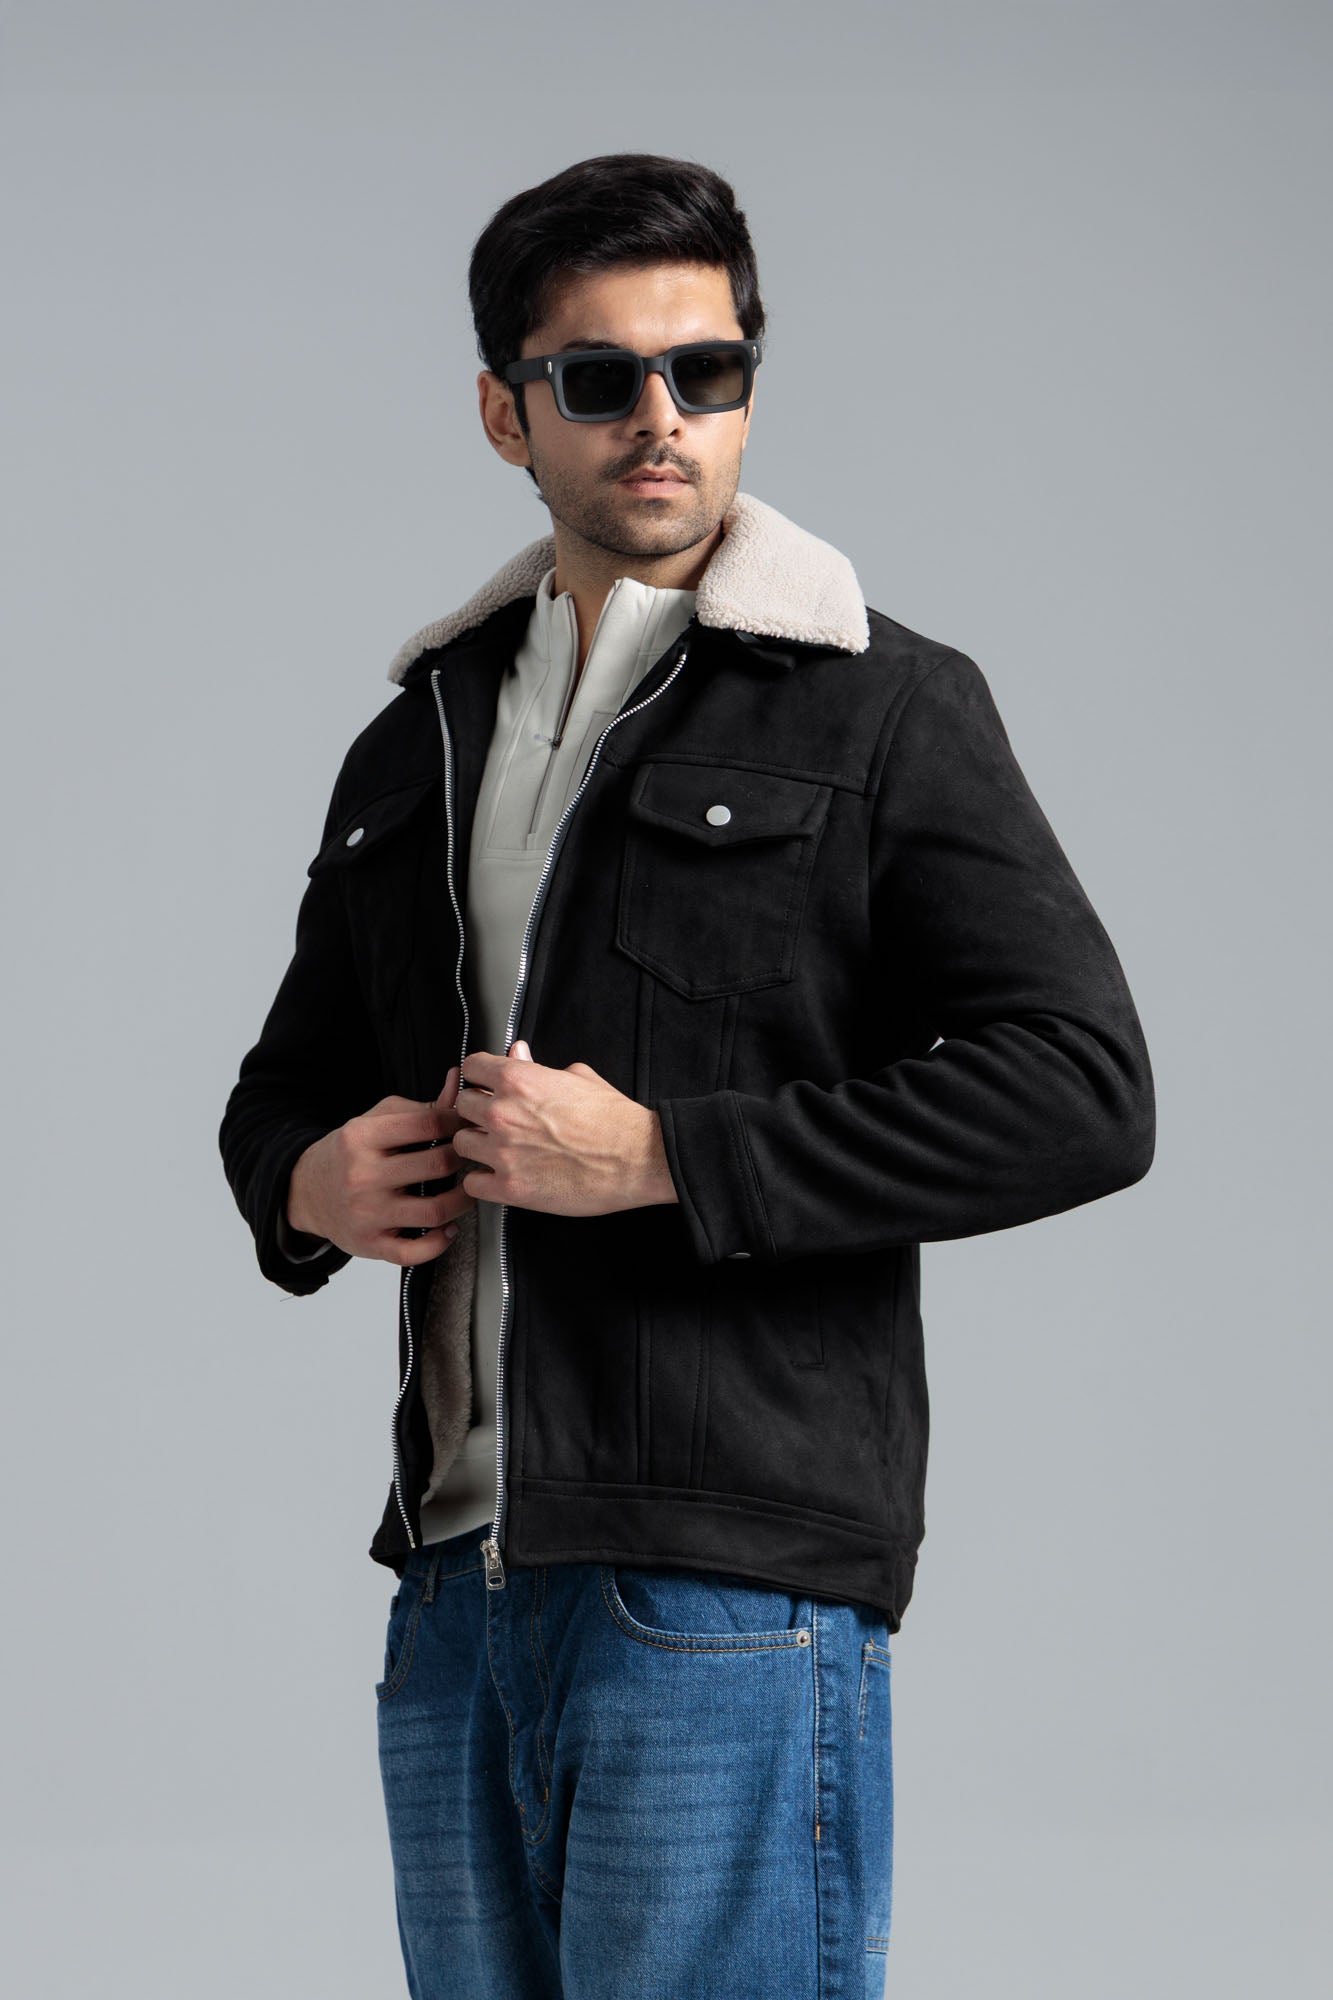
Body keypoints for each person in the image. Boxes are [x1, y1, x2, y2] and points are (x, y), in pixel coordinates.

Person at [219, 152, 1155, 2000]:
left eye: (706, 371)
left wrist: (666, 1157)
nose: (662, 418)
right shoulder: (419, 736)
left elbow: (1081, 1087)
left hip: (721, 1582)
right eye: (601, 378)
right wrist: (307, 1187)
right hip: (457, 1577)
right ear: (505, 413)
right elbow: (284, 1087)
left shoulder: (878, 704)